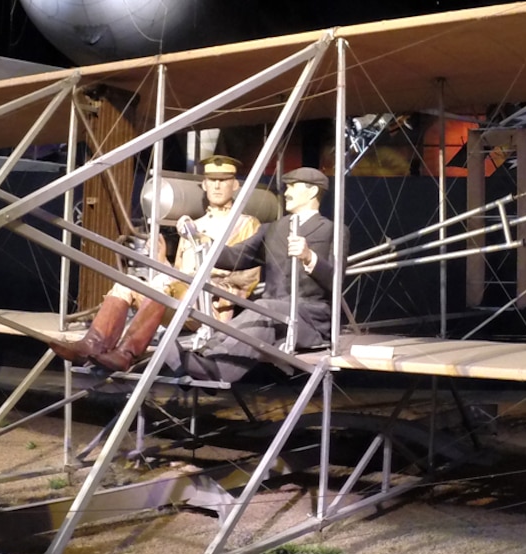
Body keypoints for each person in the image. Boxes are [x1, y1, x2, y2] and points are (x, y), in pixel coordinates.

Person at [55, 155, 262, 369]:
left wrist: (214, 283)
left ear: (235, 185)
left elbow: (249, 278)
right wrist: (163, 262)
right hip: (184, 300)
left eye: (224, 180)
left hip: (212, 305)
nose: (217, 185)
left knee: (164, 286)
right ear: (205, 184)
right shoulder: (192, 226)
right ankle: (92, 345)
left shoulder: (246, 225)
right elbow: (180, 274)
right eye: (212, 180)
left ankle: (127, 353)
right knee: (126, 284)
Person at [138, 167, 339, 383]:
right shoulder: (272, 229)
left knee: (264, 308)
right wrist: (202, 240)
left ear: (311, 191)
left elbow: (335, 281)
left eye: (292, 186)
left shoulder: (331, 230)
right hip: (273, 314)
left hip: (309, 319)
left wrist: (309, 257)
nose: (286, 191)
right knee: (254, 312)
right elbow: (235, 257)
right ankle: (203, 361)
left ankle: (218, 371)